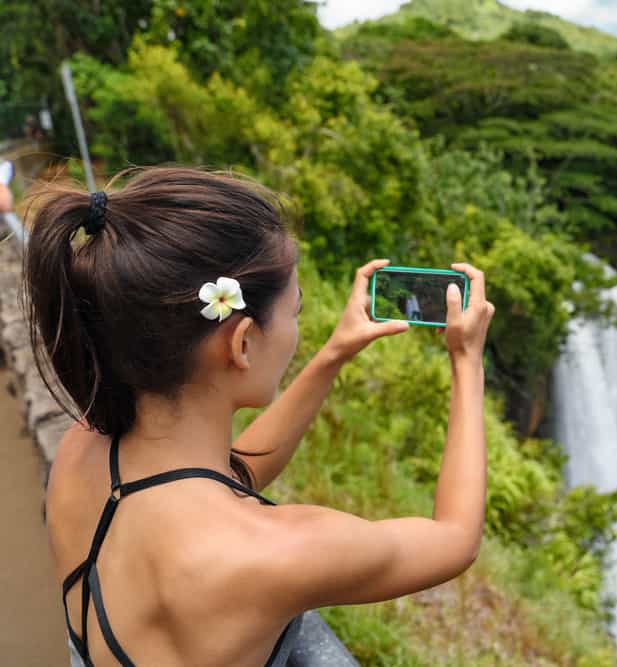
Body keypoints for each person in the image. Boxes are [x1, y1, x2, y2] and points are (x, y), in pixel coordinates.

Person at [23, 167, 495, 666]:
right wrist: (466, 362)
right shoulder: (277, 553)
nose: (296, 329)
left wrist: (333, 354)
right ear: (243, 342)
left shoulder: (80, 453)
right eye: (295, 312)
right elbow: (454, 539)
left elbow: (212, 477)